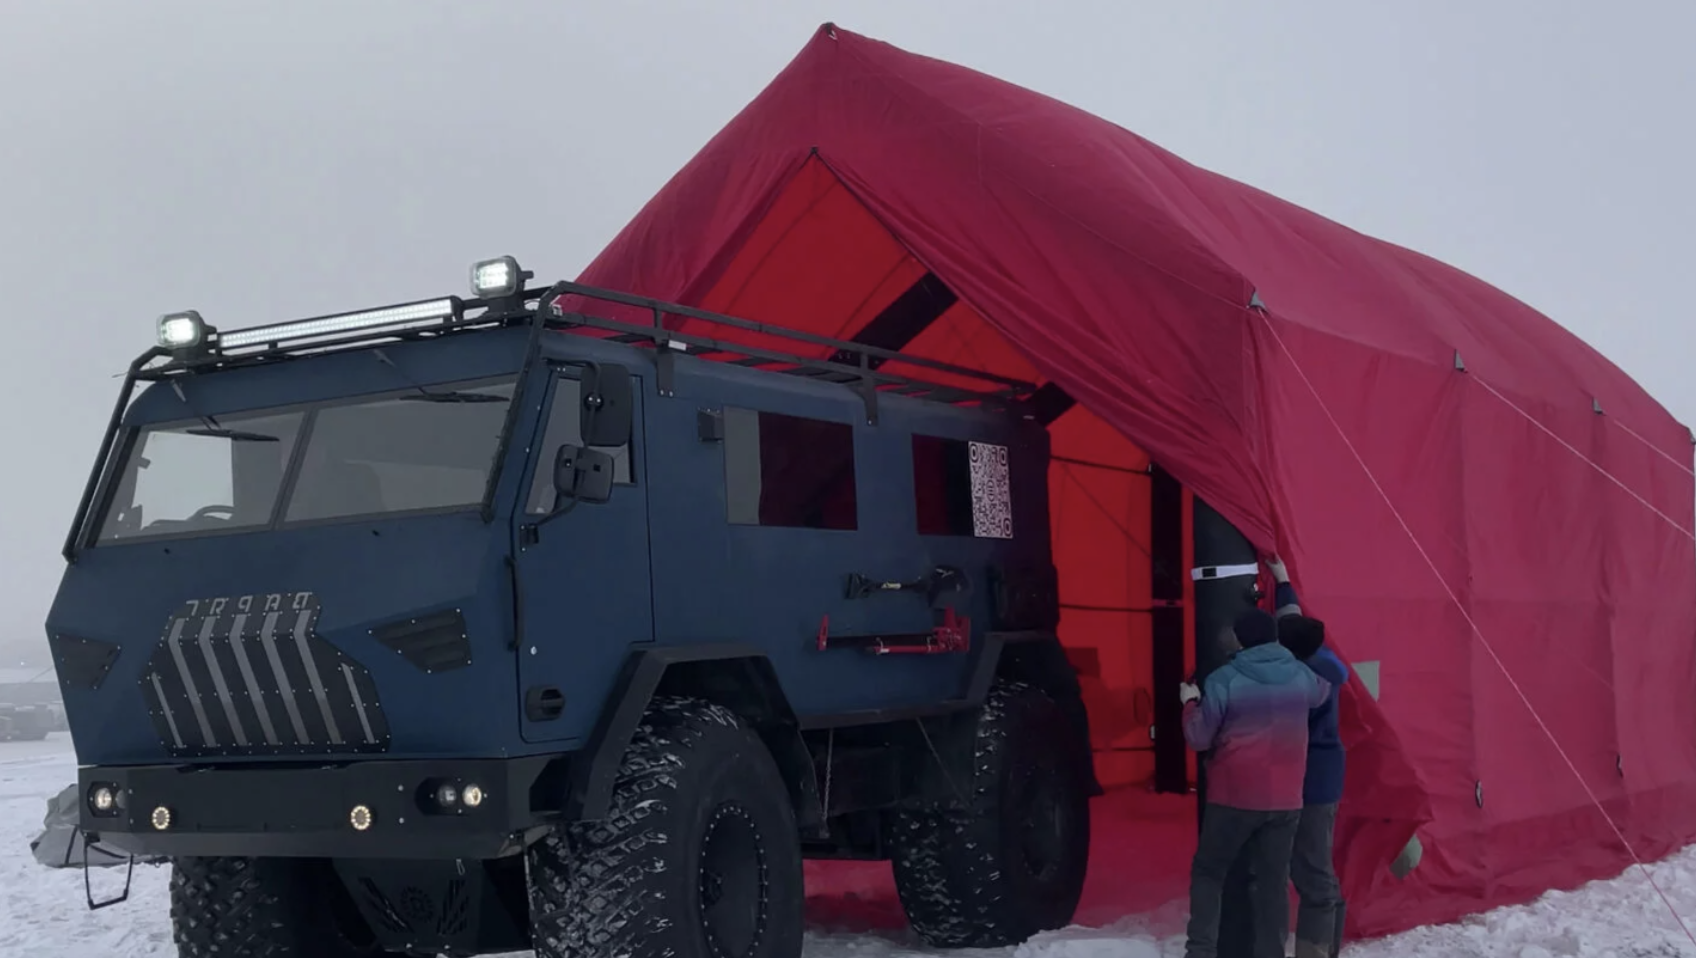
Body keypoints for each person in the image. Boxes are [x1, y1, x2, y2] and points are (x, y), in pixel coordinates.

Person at [1181, 606, 1332, 958]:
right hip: (1286, 799)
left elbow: (1198, 738)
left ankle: (1201, 951)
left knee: (1209, 872)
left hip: (1233, 795)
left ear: (1240, 640)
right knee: (1273, 883)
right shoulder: (1301, 675)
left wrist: (1189, 704)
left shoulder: (1224, 679)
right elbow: (1323, 691)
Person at [1267, 557, 1350, 958]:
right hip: (1318, 780)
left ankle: (1317, 952)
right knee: (1310, 869)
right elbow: (1292, 621)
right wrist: (1282, 579)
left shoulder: (1302, 684)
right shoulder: (1320, 659)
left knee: (1312, 874)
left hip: (1310, 785)